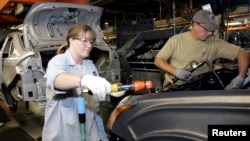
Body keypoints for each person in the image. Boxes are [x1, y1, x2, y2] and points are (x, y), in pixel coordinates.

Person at [42, 23, 111, 141]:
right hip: (65, 133)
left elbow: (95, 104)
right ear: (71, 40)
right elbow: (56, 80)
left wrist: (110, 90)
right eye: (84, 41)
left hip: (90, 132)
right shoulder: (58, 61)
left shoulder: (90, 66)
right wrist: (84, 79)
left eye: (91, 42)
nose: (89, 45)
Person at [154, 10, 249, 89]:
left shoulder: (215, 43)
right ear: (195, 25)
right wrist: (175, 71)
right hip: (174, 87)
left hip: (197, 87)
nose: (210, 33)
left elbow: (242, 53)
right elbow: (158, 60)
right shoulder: (176, 40)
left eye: (212, 30)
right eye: (206, 29)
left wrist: (240, 77)